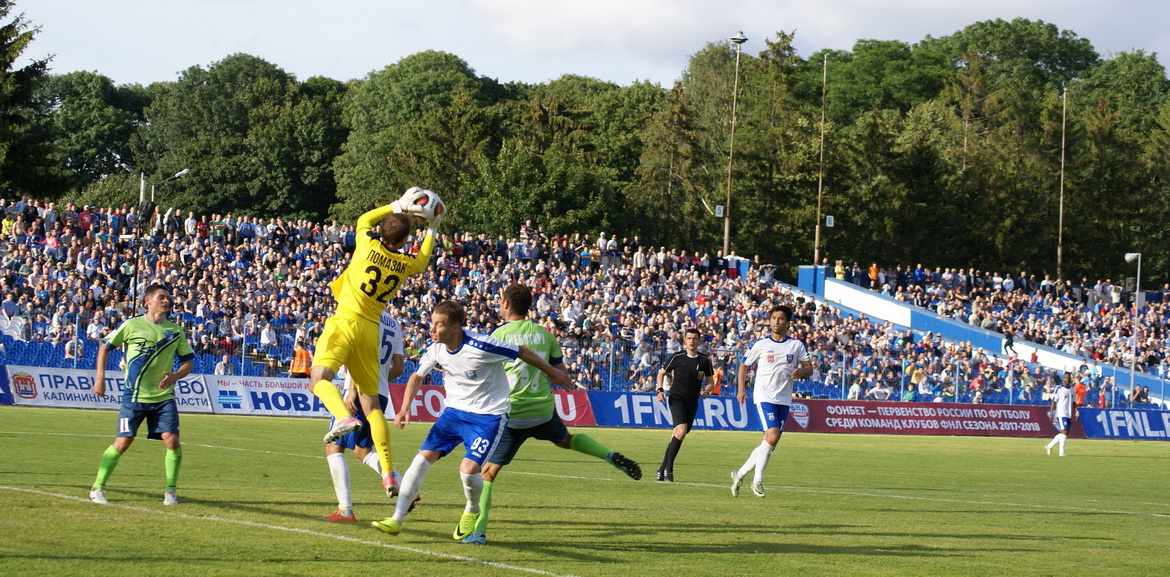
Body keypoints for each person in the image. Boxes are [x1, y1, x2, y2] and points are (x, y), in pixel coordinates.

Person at [371, 300, 570, 540]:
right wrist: (404, 408)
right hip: (452, 414)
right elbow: (416, 375)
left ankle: (472, 509)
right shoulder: (436, 348)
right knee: (419, 462)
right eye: (432, 323)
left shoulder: (482, 345)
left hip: (487, 417)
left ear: (455, 328)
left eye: (438, 325)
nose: (431, 329)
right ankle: (396, 519)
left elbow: (522, 352)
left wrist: (552, 371)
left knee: (467, 472)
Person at [466, 284, 641, 544]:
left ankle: (477, 532)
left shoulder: (498, 334)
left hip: (512, 413)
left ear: (505, 304)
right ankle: (608, 455)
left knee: (487, 473)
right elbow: (560, 375)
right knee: (566, 440)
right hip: (543, 409)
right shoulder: (545, 335)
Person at [310, 188, 441, 499]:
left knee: (318, 379)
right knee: (372, 408)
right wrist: (432, 228)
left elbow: (364, 219)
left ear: (382, 232)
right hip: (371, 329)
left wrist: (398, 205)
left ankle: (342, 416)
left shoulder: (367, 244)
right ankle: (387, 472)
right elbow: (422, 261)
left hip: (346, 320)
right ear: (405, 242)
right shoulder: (404, 264)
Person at [89, 283, 195, 505]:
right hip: (134, 397)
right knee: (123, 441)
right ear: (147, 301)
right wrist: (100, 377)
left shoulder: (175, 331)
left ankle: (170, 491)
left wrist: (175, 376)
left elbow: (188, 362)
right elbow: (104, 347)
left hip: (163, 397)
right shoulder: (131, 325)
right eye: (161, 297)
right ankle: (97, 488)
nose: (166, 301)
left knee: (172, 441)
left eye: (168, 297)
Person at [320, 311, 416, 522]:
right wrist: (378, 380)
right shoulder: (393, 323)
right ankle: (405, 489)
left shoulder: (363, 314)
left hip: (359, 392)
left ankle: (345, 511)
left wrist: (353, 391)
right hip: (379, 393)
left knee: (333, 447)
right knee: (362, 451)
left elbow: (357, 357)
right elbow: (399, 367)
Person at [731, 305, 812, 498]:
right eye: (773, 318)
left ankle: (739, 474)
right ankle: (757, 480)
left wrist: (801, 371)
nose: (776, 321)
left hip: (784, 399)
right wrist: (741, 390)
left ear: (788, 323)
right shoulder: (760, 344)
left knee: (769, 443)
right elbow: (743, 365)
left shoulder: (796, 345)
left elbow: (809, 368)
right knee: (772, 436)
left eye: (780, 318)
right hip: (764, 396)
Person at [654, 327, 714, 482]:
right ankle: (669, 469)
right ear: (685, 340)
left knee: (678, 434)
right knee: (681, 430)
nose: (692, 341)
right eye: (689, 338)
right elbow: (661, 373)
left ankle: (661, 468)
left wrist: (706, 391)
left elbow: (710, 382)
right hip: (676, 398)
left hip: (692, 401)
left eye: (695, 338)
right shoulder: (678, 357)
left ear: (699, 340)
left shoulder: (704, 360)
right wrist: (660, 389)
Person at [1045, 372, 1075, 456]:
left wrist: (1076, 411)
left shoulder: (1072, 389)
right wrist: (1051, 414)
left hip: (1068, 412)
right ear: (1063, 378)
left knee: (1065, 432)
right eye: (1065, 377)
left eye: (1068, 378)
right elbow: (1054, 401)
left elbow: (1074, 401)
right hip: (1061, 412)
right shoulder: (1059, 388)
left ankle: (1049, 445)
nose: (1067, 379)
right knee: (1064, 431)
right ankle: (1061, 452)